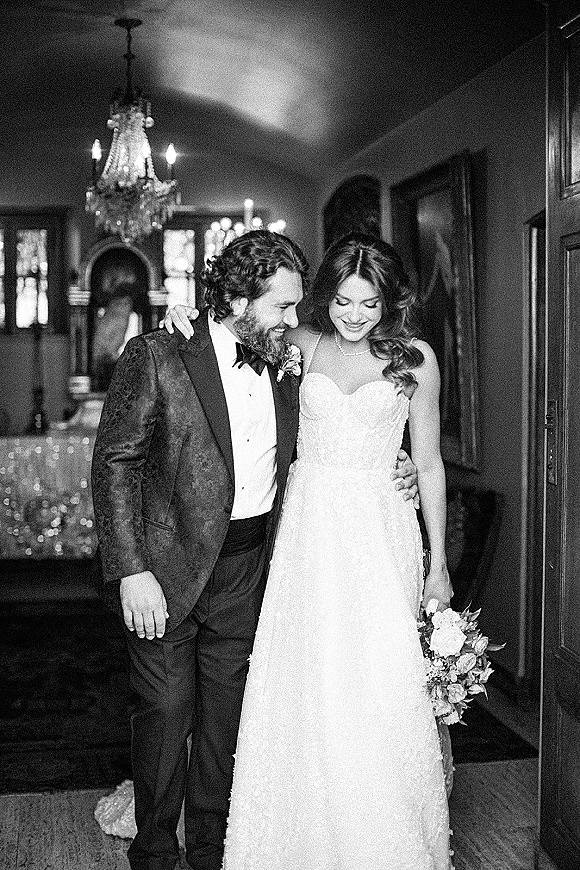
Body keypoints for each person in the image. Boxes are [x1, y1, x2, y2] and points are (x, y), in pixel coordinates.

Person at [91, 229, 418, 870]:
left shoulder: (285, 360)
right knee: (164, 714)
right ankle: (155, 854)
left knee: (226, 722)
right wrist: (131, 569)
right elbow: (114, 464)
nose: (295, 321)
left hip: (250, 570)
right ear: (239, 297)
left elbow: (338, 428)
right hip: (165, 570)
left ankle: (215, 852)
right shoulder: (159, 354)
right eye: (282, 307)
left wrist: (394, 460)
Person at [165, 232, 453, 869]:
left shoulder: (415, 360)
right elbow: (226, 332)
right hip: (308, 536)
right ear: (326, 297)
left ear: (389, 301)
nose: (355, 316)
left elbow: (429, 463)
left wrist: (440, 564)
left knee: (378, 682)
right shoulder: (299, 344)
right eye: (345, 301)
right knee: (304, 678)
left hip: (382, 534)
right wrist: (183, 316)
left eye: (369, 304)